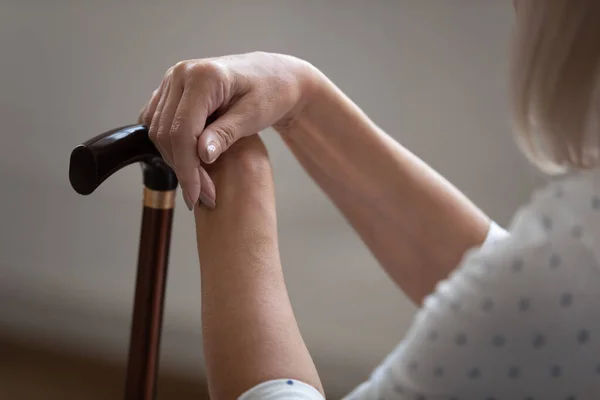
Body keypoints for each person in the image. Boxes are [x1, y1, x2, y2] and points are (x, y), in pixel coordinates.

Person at [138, 1, 600, 399]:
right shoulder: (567, 255)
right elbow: (519, 304)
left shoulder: (559, 274)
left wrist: (241, 176)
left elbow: (529, 298)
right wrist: (302, 94)